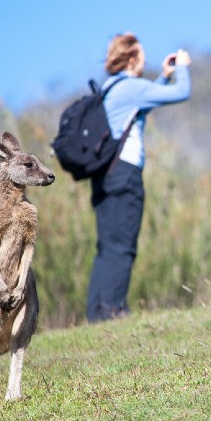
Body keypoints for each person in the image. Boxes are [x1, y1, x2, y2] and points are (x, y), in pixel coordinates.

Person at [86, 33, 192, 322]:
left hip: (105, 177)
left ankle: (98, 312)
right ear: (132, 59)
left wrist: (163, 76)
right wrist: (181, 68)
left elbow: (141, 106)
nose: (145, 61)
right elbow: (182, 93)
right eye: (142, 57)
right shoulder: (130, 87)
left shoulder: (111, 89)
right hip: (124, 174)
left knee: (108, 245)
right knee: (123, 245)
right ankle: (112, 310)